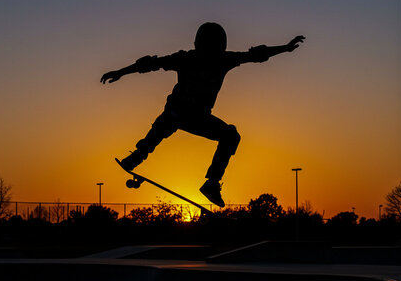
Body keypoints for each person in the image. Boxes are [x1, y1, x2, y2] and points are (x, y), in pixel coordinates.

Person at [101, 22, 305, 207]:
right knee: (226, 134)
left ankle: (139, 157)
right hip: (192, 115)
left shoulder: (190, 58)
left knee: (171, 124)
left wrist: (120, 72)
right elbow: (256, 55)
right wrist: (285, 48)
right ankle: (211, 182)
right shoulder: (220, 59)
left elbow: (148, 64)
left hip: (185, 113)